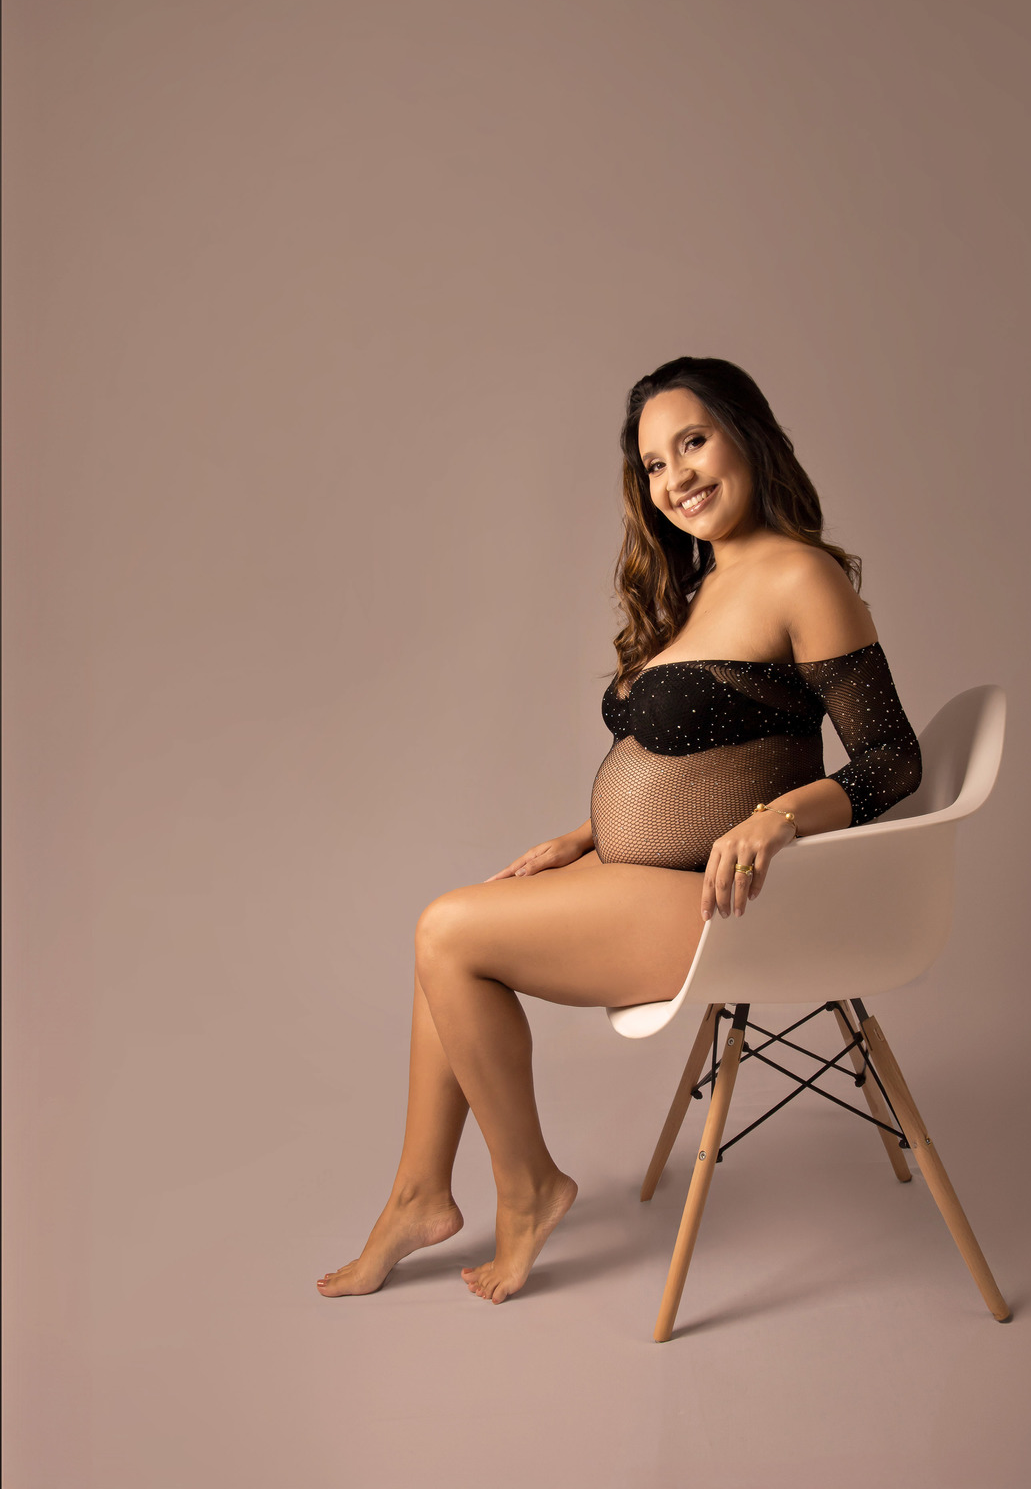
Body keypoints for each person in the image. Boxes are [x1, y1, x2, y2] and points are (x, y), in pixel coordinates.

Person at [317, 357, 922, 1304]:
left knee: (447, 931)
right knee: (450, 941)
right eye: (653, 464)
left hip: (735, 907)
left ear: (747, 434)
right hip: (649, 879)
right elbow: (704, 762)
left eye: (693, 442)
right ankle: (419, 1194)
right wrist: (587, 835)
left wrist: (779, 820)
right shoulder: (702, 586)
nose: (676, 477)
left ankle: (527, 1191)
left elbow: (890, 759)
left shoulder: (800, 576)